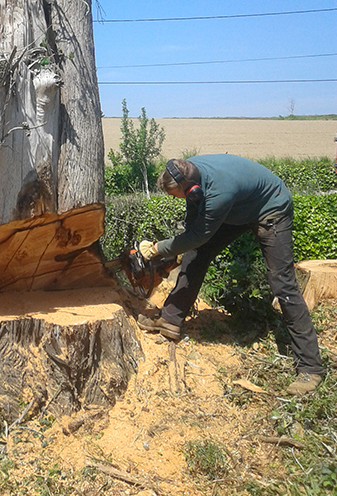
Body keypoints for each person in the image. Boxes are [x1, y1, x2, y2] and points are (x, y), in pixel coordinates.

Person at [137, 154, 325, 395]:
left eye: (178, 195)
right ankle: (170, 319)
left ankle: (311, 368)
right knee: (197, 254)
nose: (178, 199)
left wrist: (156, 248)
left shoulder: (218, 194)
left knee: (283, 284)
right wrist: (176, 248)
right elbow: (193, 225)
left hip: (271, 208)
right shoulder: (189, 171)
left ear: (192, 189)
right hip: (238, 207)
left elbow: (198, 235)